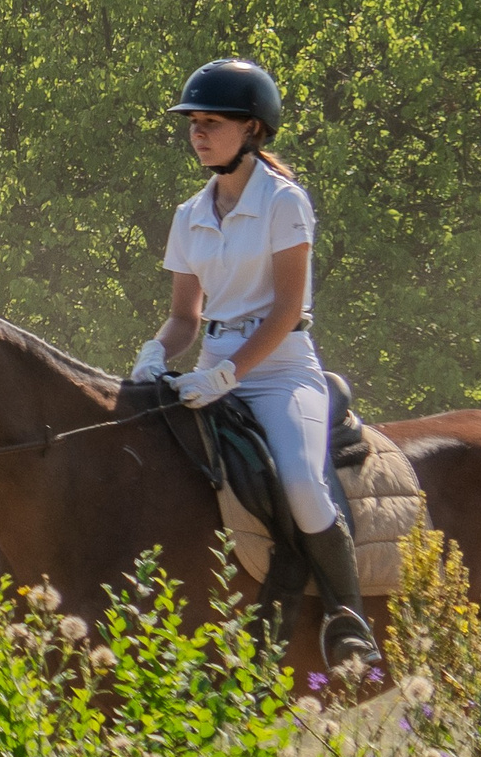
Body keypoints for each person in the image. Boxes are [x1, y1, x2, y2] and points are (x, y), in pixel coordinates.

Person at [132, 59, 383, 676]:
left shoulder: (284, 202)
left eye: (211, 122)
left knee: (300, 482)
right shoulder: (189, 215)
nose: (197, 133)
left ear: (252, 129)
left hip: (280, 370)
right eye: (192, 123)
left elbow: (287, 309)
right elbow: (185, 318)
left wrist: (228, 375)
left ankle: (348, 622)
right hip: (208, 369)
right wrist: (156, 354)